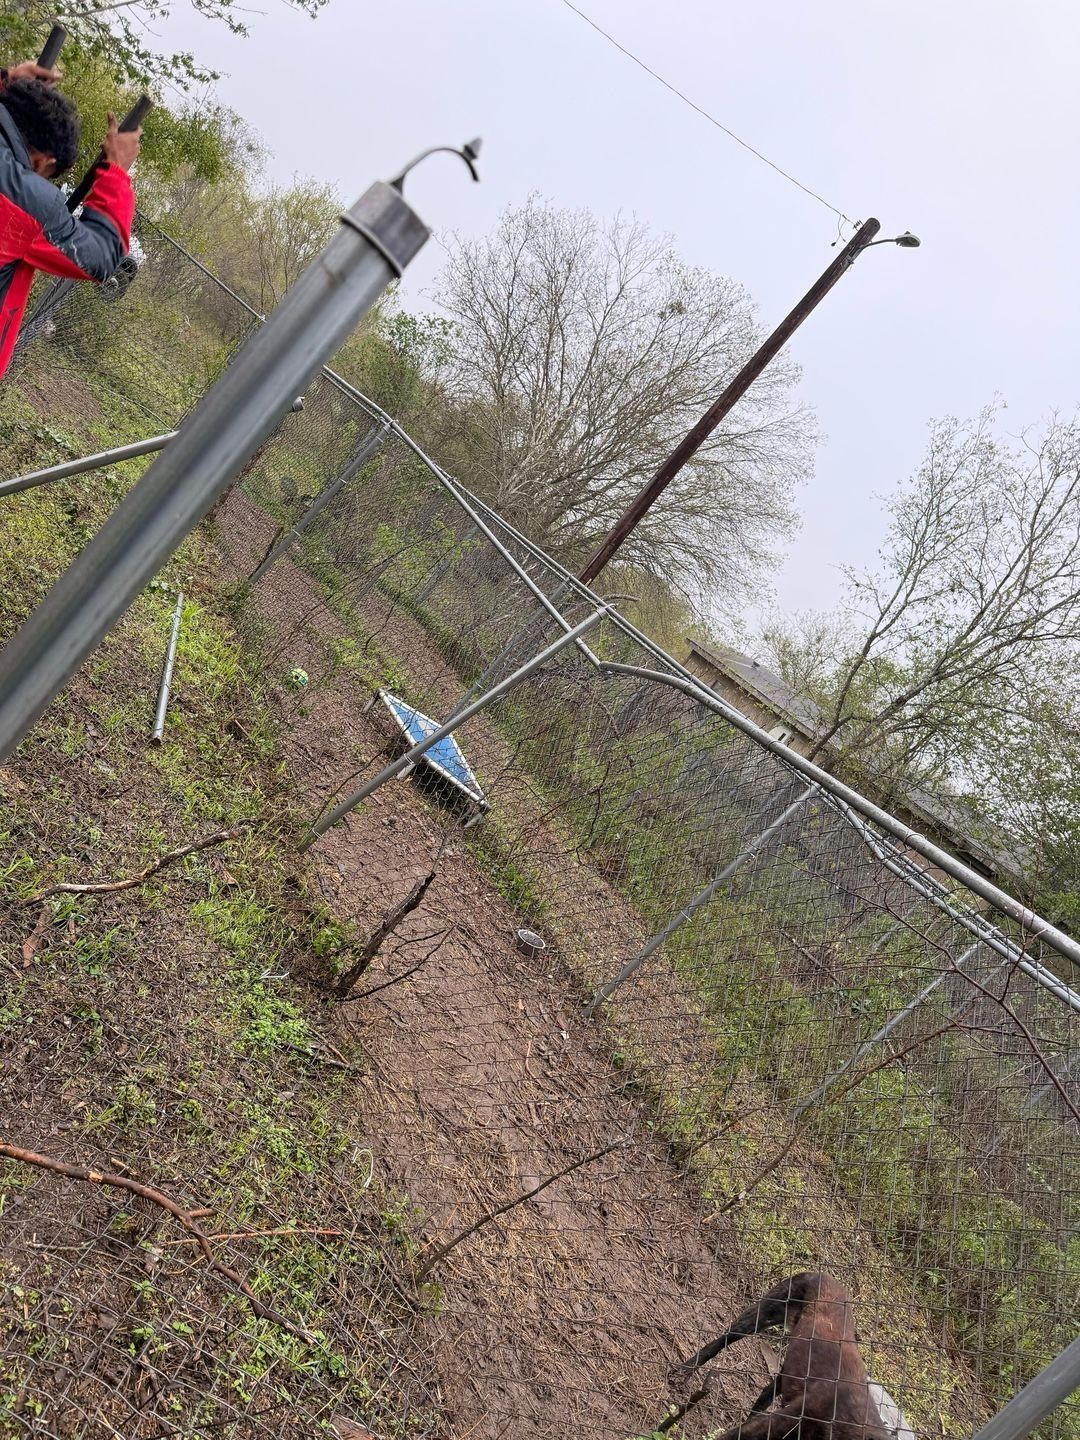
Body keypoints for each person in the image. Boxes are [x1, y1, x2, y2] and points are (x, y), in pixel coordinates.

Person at [0, 60, 141, 378]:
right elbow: (102, 256)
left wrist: (7, 81)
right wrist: (116, 172)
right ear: (41, 162)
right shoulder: (27, 200)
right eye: (47, 175)